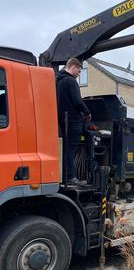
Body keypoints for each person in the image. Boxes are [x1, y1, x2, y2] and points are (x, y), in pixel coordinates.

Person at [56, 57, 95, 185]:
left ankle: (63, 176)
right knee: (71, 149)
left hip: (61, 121)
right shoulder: (71, 81)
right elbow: (78, 101)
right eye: (79, 71)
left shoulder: (57, 80)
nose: (79, 75)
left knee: (63, 149)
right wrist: (87, 112)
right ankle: (71, 177)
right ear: (73, 67)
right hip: (72, 121)